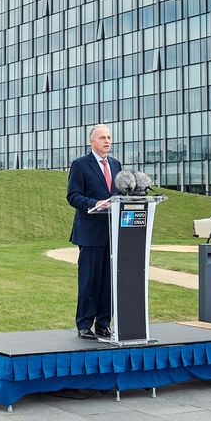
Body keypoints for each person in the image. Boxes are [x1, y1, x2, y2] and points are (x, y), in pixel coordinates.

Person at [66, 123, 121, 339]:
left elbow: (118, 193)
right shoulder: (80, 165)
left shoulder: (116, 165)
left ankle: (103, 323)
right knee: (89, 280)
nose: (107, 141)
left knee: (108, 281)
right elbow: (73, 196)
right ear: (92, 141)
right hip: (90, 233)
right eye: (102, 138)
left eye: (109, 137)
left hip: (113, 233)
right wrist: (95, 203)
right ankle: (84, 324)